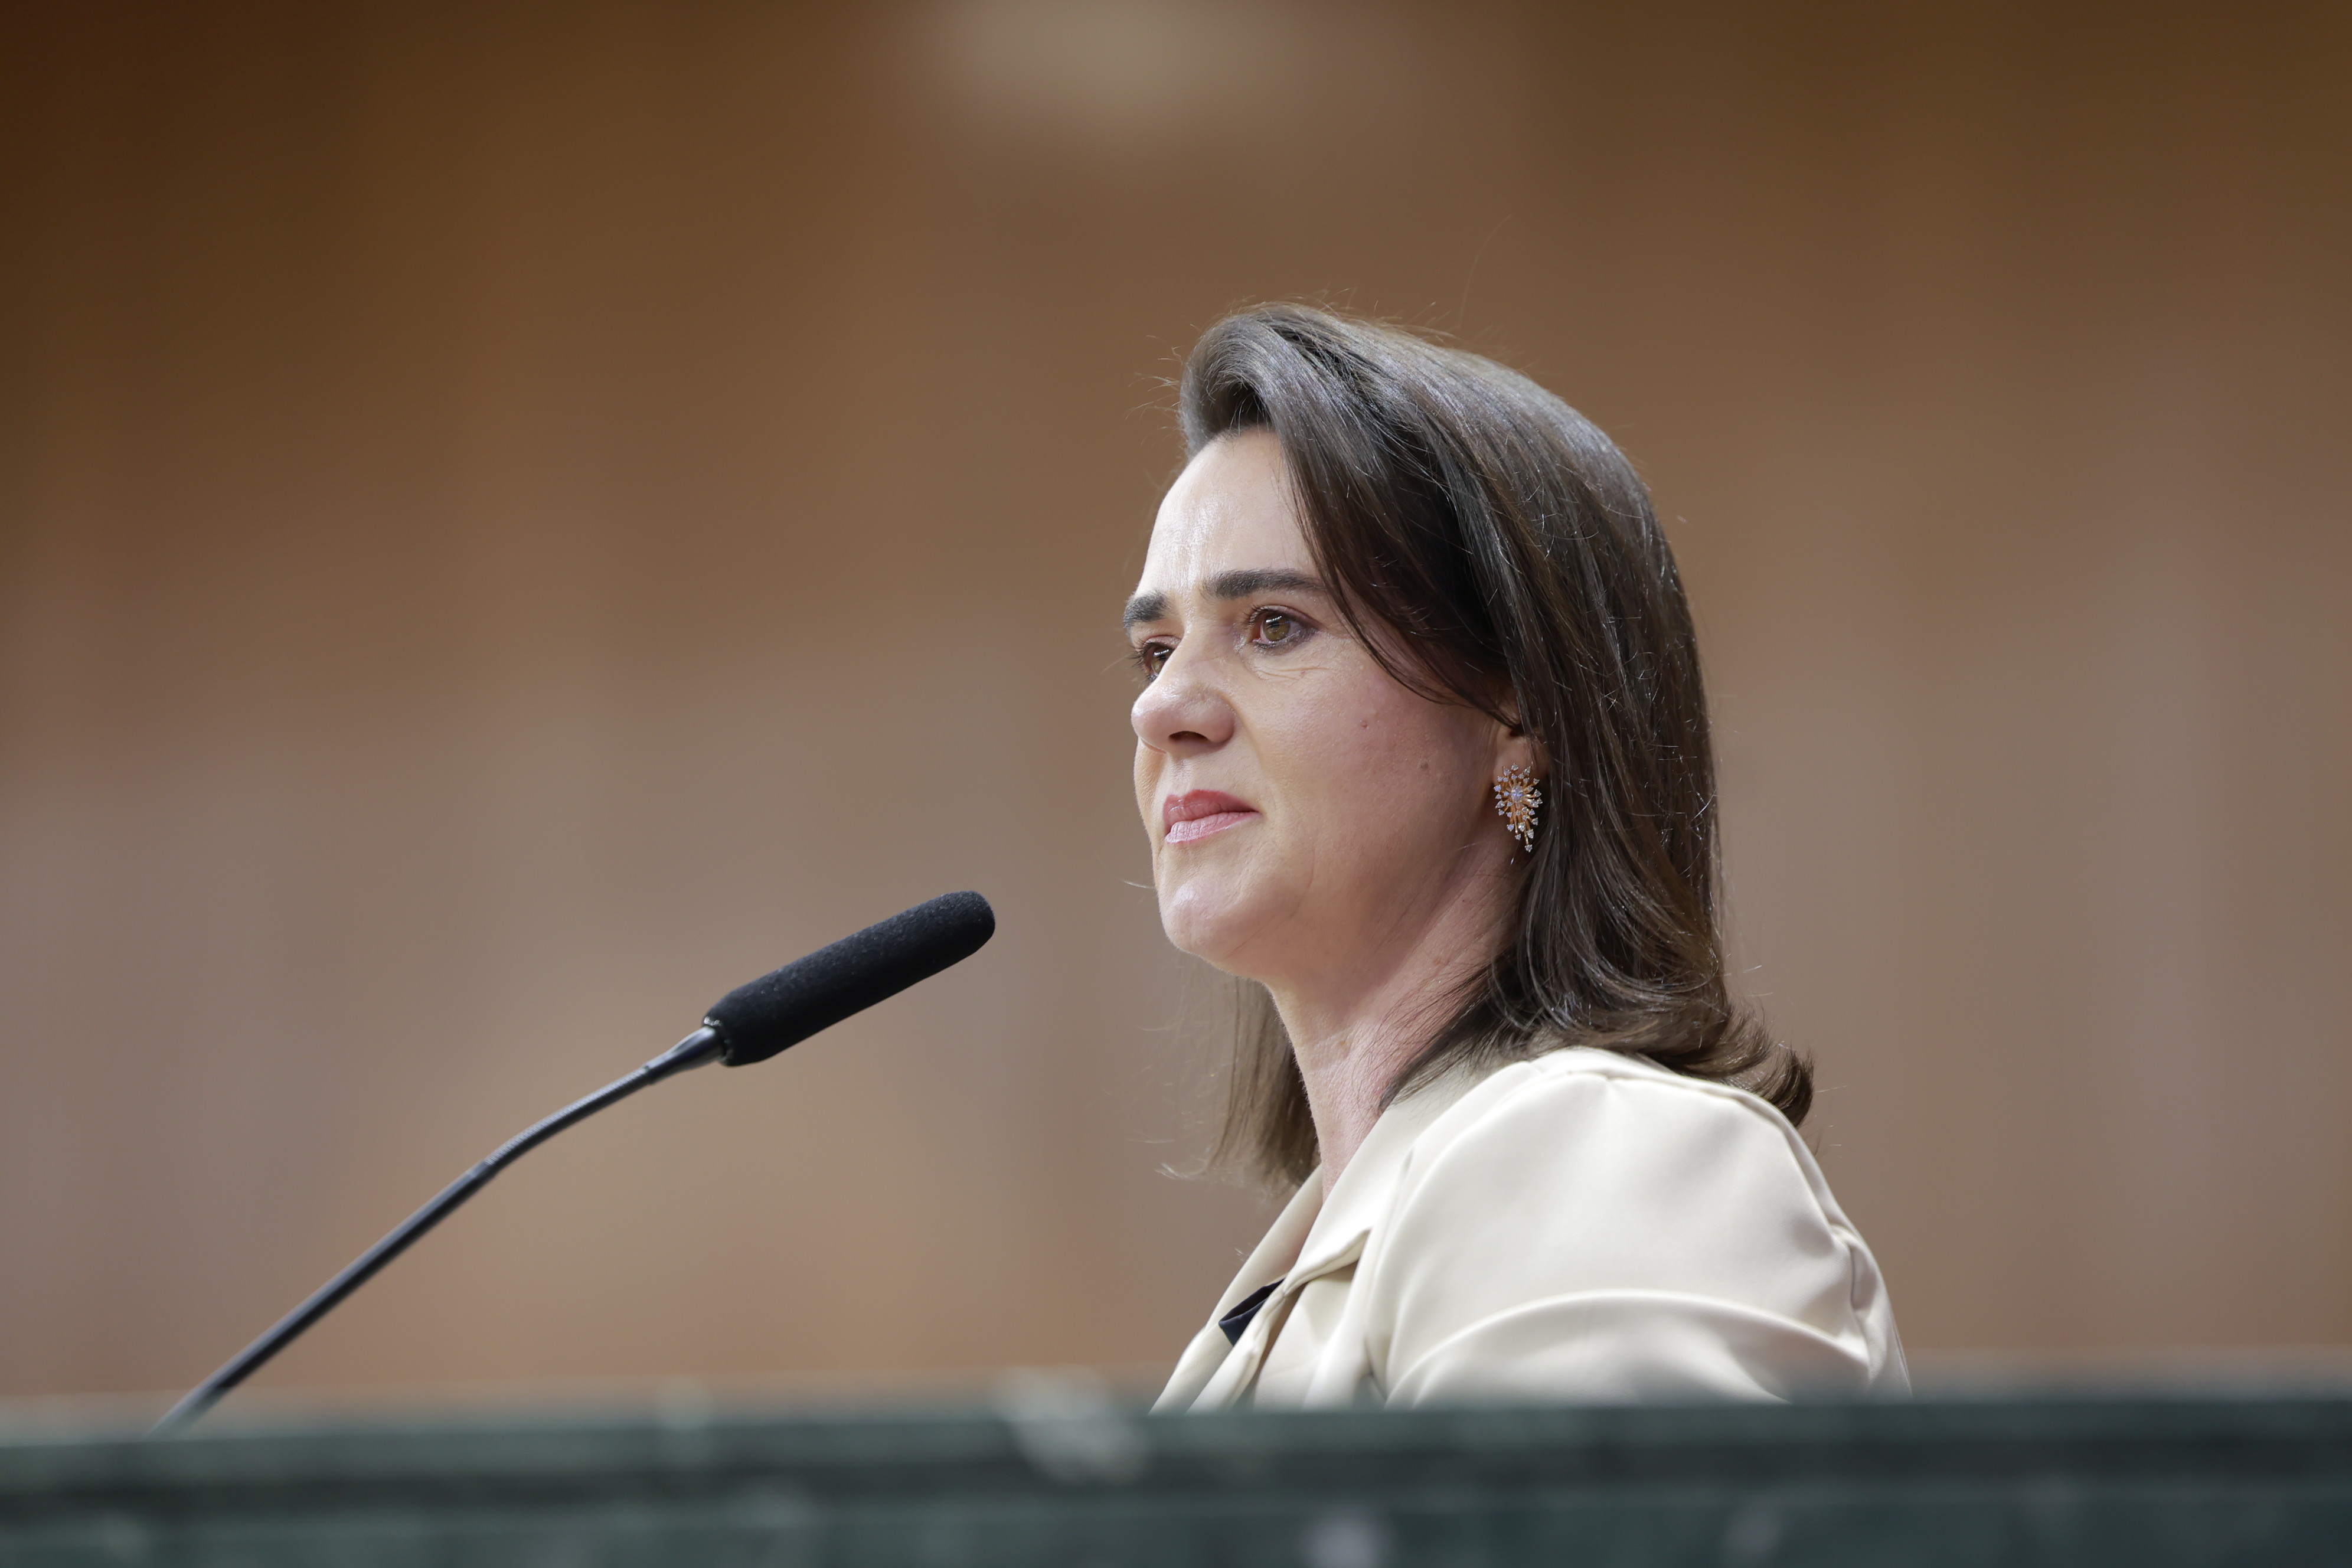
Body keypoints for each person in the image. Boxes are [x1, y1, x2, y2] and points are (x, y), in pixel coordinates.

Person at [1127, 305, 1906, 1410]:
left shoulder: (1601, 1157)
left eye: (1274, 626)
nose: (1162, 708)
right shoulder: (1308, 1272)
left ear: (1518, 710)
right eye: (1156, 648)